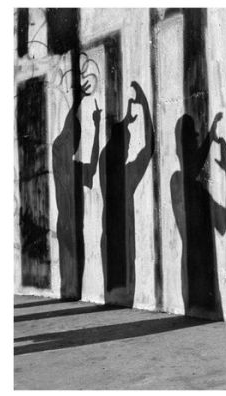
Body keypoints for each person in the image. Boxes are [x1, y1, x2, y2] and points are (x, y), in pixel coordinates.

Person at [171, 111, 226, 318]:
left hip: (202, 270)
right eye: (193, 137)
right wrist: (210, 136)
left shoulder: (189, 187)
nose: (196, 141)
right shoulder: (178, 181)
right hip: (195, 271)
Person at [99, 81, 154, 306]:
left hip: (108, 232)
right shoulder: (127, 174)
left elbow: (114, 140)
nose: (130, 149)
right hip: (121, 234)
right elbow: (149, 146)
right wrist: (144, 106)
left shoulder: (105, 163)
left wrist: (127, 121)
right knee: (124, 296)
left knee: (112, 292)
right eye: (128, 145)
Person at [52, 80, 101, 300]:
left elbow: (91, 166)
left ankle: (69, 294)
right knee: (70, 266)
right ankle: (69, 294)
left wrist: (98, 129)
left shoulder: (67, 163)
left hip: (68, 225)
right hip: (69, 225)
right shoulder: (62, 158)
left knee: (70, 268)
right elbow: (67, 129)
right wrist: (79, 101)